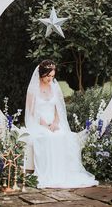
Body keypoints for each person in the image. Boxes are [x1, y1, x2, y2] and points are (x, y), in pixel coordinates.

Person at [25, 59, 98, 188]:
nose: (50, 79)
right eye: (48, 76)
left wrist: (55, 122)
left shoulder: (54, 87)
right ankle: (50, 174)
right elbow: (32, 112)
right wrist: (46, 125)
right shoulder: (33, 90)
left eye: (52, 76)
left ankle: (62, 174)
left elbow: (58, 108)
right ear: (42, 74)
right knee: (48, 137)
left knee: (63, 135)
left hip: (53, 122)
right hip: (39, 123)